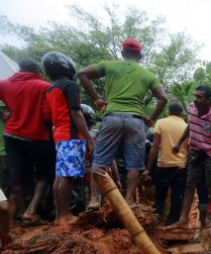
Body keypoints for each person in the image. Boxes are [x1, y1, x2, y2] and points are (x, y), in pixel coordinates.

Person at [78, 37, 168, 207]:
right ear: (140, 56)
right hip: (135, 121)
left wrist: (96, 99)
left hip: (112, 117)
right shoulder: (147, 75)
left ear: (122, 53)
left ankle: (94, 200)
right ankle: (129, 200)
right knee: (134, 164)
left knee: (100, 161)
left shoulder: (109, 65)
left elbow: (81, 74)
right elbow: (163, 98)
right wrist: (151, 119)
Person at [42, 52, 95, 225]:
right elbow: (76, 112)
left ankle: (59, 215)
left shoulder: (50, 88)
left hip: (59, 135)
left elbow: (48, 115)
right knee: (68, 176)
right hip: (71, 136)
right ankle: (65, 215)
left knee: (60, 176)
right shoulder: (70, 86)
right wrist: (88, 137)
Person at [0, 59, 53, 226]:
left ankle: (22, 212)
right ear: (37, 70)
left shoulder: (4, 84)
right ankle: (31, 211)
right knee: (45, 174)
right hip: (37, 135)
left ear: (20, 68)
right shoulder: (43, 86)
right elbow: (47, 114)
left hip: (12, 134)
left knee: (17, 175)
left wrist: (3, 113)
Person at [168, 86, 211, 228]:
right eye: (195, 96)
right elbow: (190, 126)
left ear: (208, 100)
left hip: (210, 155)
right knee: (189, 186)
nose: (195, 99)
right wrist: (179, 143)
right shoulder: (191, 109)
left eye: (199, 97)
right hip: (195, 153)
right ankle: (183, 220)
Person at [144, 103, 188, 224]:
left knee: (161, 195)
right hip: (180, 166)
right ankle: (173, 223)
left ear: (169, 112)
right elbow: (190, 149)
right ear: (180, 114)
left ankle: (158, 221)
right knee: (177, 196)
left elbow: (155, 146)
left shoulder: (161, 123)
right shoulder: (186, 126)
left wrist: (148, 168)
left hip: (163, 165)